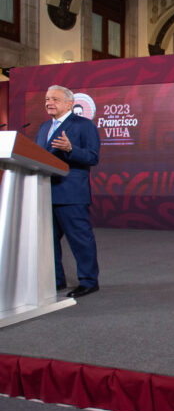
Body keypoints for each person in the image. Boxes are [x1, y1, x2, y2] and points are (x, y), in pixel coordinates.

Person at [35, 85, 101, 298]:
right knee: (48, 241)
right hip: (45, 192)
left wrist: (70, 149)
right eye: (47, 98)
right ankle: (56, 280)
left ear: (69, 103)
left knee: (80, 239)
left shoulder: (84, 126)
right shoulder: (44, 127)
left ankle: (89, 281)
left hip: (71, 193)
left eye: (54, 98)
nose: (49, 102)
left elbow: (92, 157)